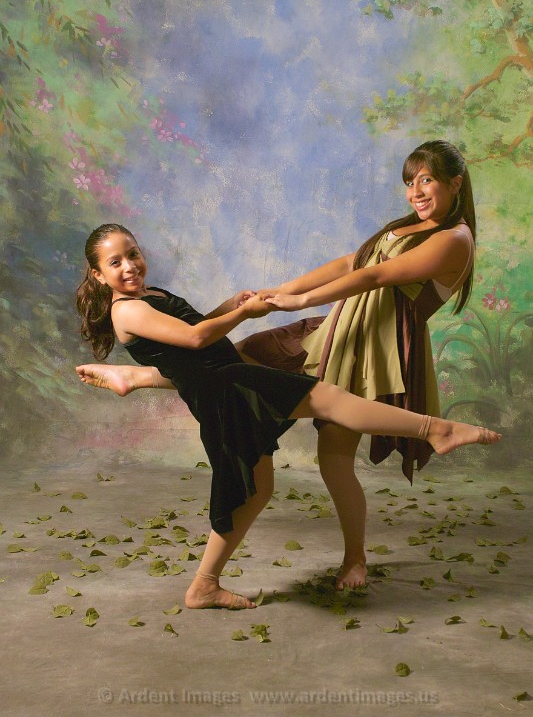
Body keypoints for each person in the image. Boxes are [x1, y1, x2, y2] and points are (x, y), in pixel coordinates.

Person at [76, 217, 500, 610]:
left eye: (133, 254)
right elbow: (195, 339)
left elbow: (197, 327)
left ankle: (204, 585)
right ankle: (434, 429)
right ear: (98, 275)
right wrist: (244, 312)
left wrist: (229, 305)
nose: (129, 266)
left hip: (223, 384)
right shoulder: (127, 310)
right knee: (326, 399)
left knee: (255, 491)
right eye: (115, 262)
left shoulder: (150, 296)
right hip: (227, 390)